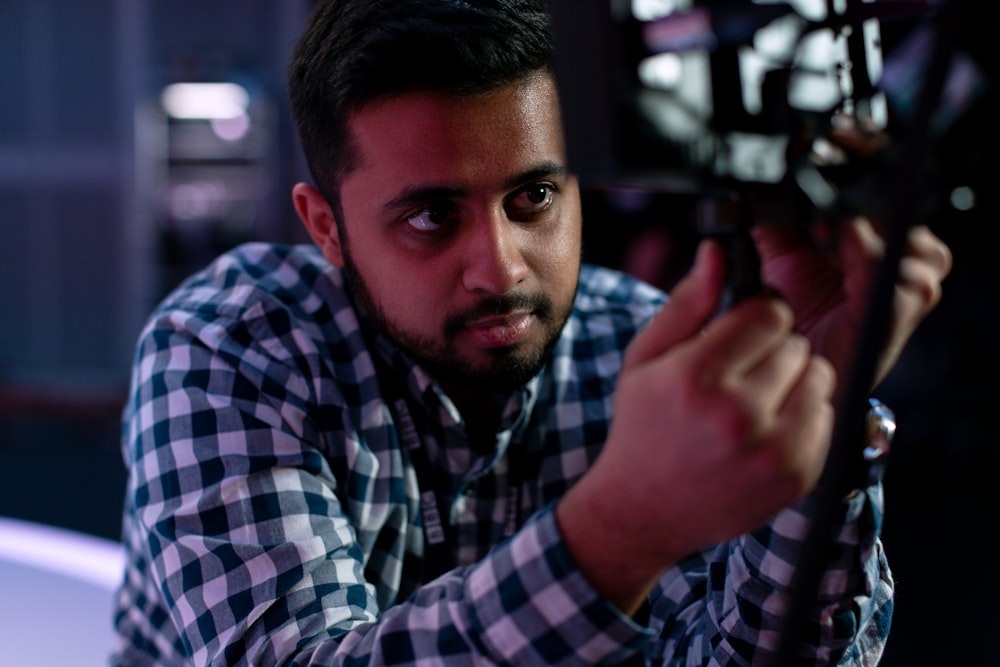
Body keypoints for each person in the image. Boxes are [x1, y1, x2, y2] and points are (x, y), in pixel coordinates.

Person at [111, 1, 952, 665]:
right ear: (326, 227)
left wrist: (822, 417)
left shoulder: (639, 344)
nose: (502, 267)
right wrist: (620, 527)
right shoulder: (230, 350)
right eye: (432, 216)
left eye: (535, 199)